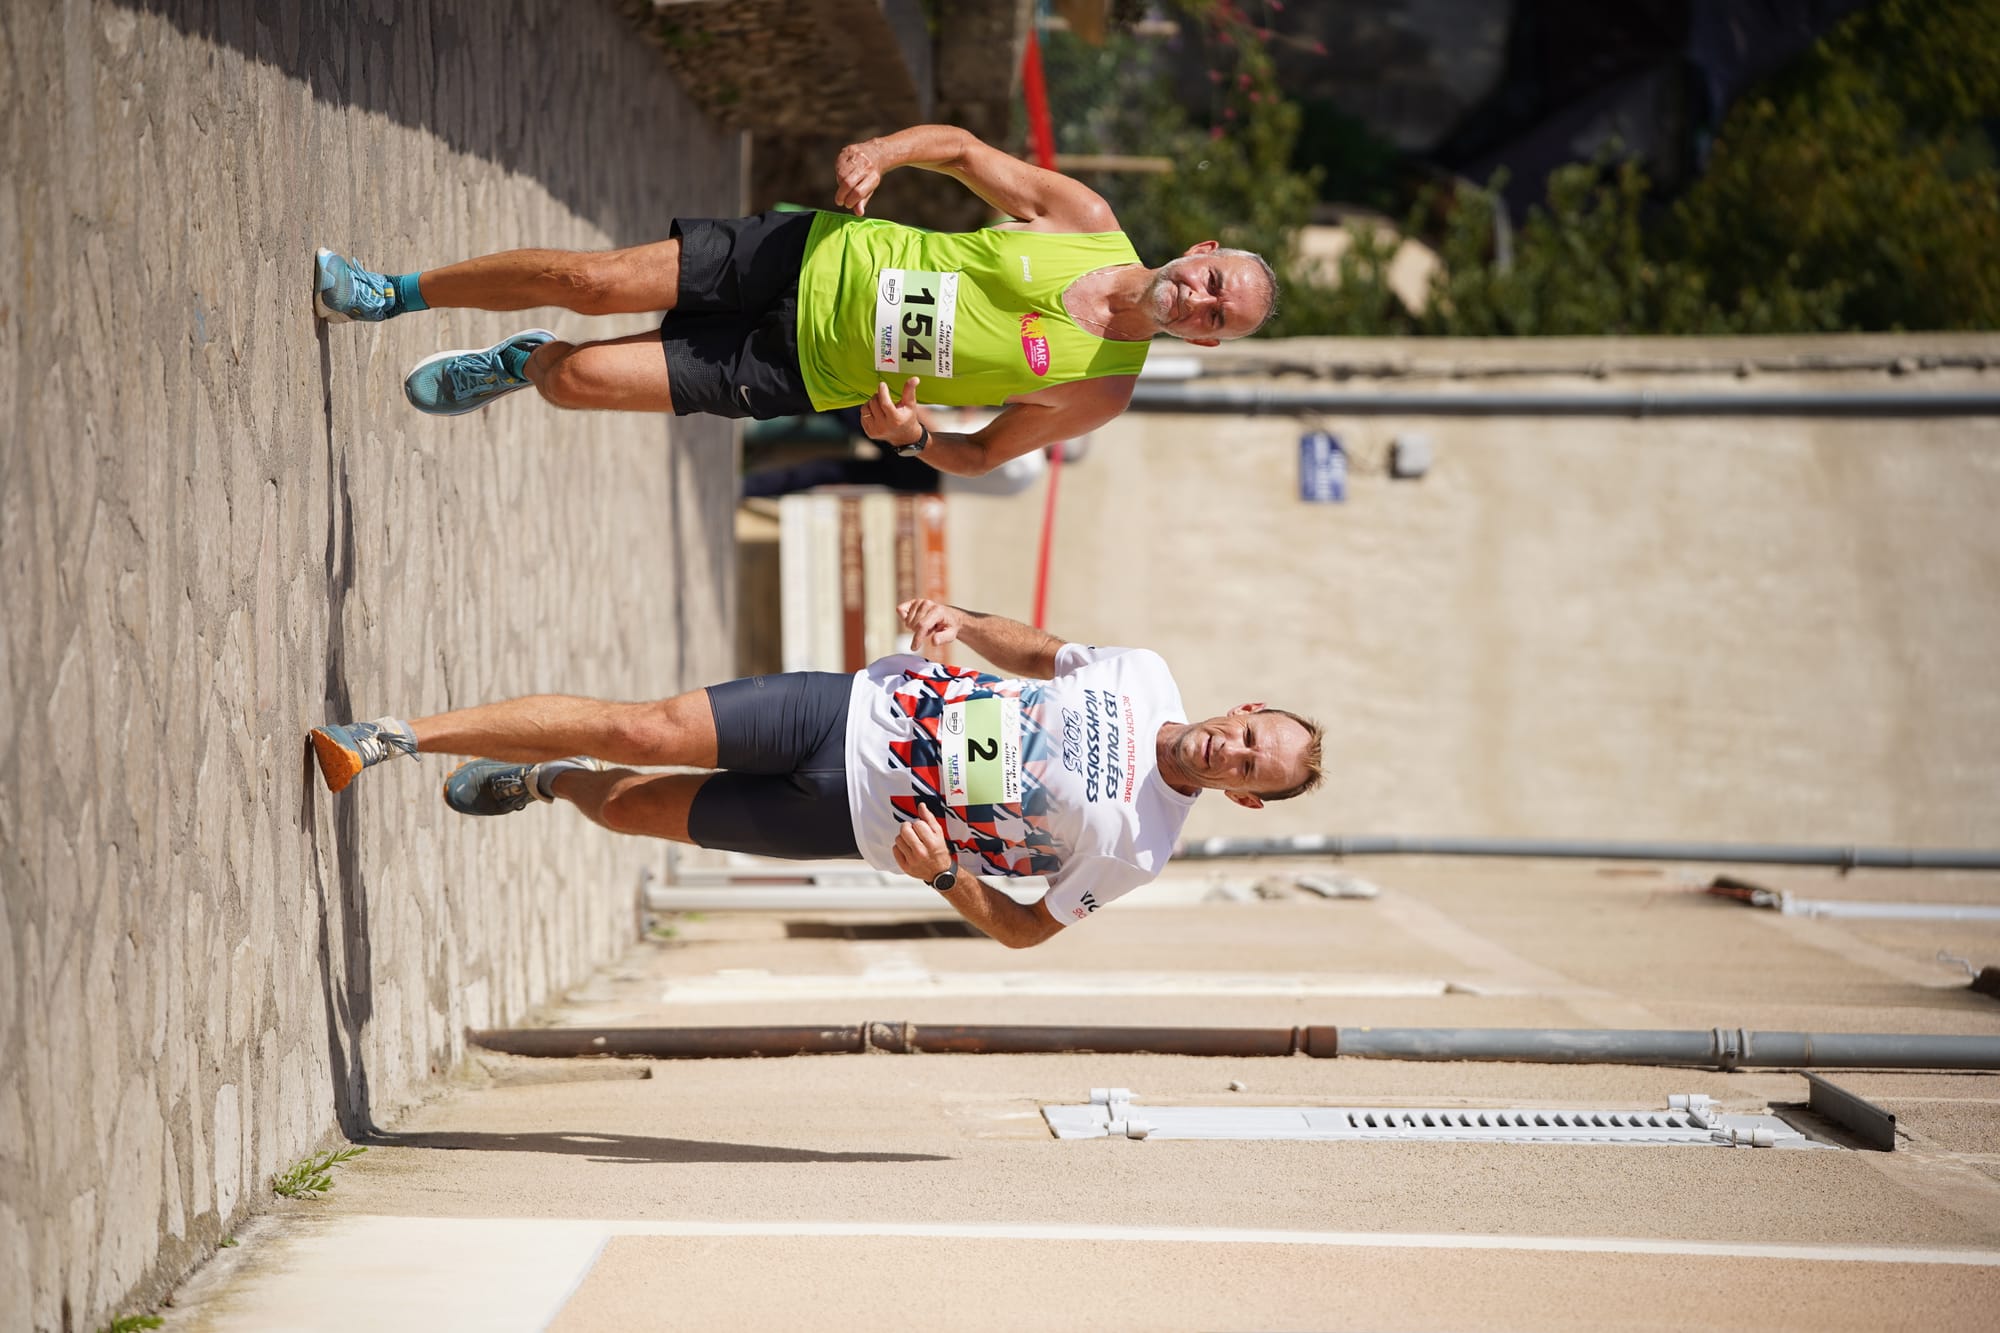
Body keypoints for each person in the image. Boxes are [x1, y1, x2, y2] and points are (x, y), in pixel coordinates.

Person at [308, 601, 1323, 948]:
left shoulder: (1138, 850)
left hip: (844, 821)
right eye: (1249, 734)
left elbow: (1021, 928)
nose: (1232, 751)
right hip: (846, 711)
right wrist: (959, 621)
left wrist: (941, 878)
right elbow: (1043, 652)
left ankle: (542, 780)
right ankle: (392, 735)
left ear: (1242, 795)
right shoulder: (1143, 676)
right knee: (645, 724)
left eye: (1251, 771)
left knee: (622, 805)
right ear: (1243, 708)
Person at [312, 124, 1278, 476]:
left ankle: (520, 363)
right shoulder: (1086, 216)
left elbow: (980, 454)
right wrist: (881, 154)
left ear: (1212, 343)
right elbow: (966, 153)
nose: (1198, 301)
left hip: (798, 370)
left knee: (580, 380)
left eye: (1214, 316)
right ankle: (388, 294)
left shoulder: (1102, 389)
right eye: (1211, 281)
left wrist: (909, 440)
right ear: (1199, 251)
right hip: (805, 255)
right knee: (590, 281)